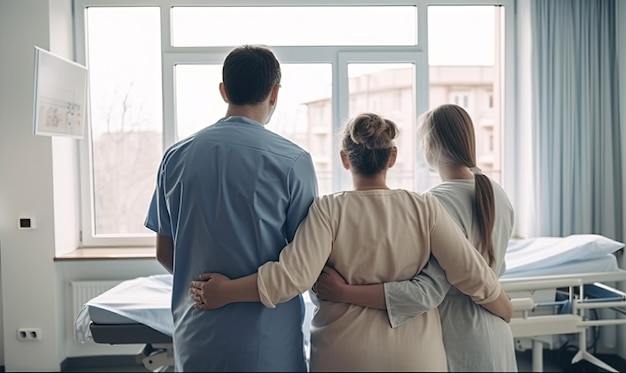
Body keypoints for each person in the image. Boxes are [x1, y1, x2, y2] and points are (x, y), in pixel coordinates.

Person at [190, 112, 513, 372]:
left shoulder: (328, 209)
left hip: (344, 356)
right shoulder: (424, 207)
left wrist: (225, 292)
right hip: (417, 358)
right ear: (393, 157)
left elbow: (292, 278)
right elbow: (470, 270)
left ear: (345, 159)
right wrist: (502, 305)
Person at [144, 44, 318, 372]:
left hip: (198, 335)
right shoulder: (294, 162)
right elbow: (303, 264)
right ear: (274, 92)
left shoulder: (176, 157)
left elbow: (166, 253)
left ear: (224, 91)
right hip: (268, 344)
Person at [314, 103, 517, 372]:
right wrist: (502, 304)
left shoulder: (434, 203)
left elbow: (425, 292)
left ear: (430, 146)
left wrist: (343, 292)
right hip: (496, 331)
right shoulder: (495, 192)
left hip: (459, 336)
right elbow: (493, 269)